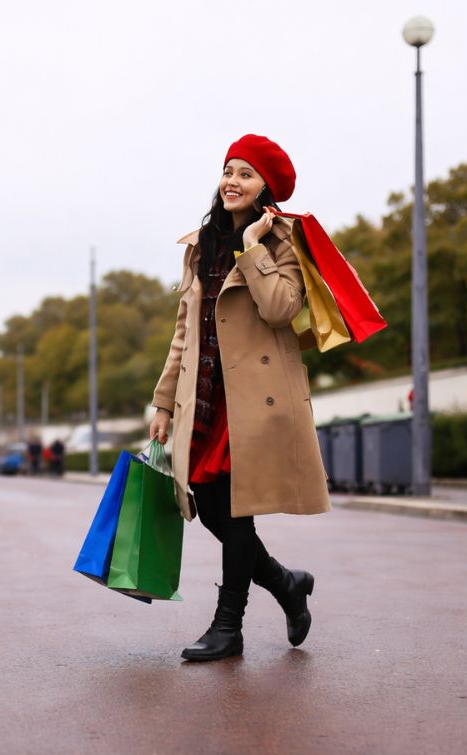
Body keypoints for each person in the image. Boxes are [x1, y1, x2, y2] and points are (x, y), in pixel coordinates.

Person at [148, 134, 330, 662]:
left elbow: (280, 309)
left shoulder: (281, 242)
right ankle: (285, 584)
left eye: (246, 173)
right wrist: (163, 403)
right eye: (228, 169)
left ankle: (228, 628)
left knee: (234, 511)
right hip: (203, 395)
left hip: (254, 398)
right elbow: (184, 332)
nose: (232, 181)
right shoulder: (199, 246)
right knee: (209, 509)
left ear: (265, 188)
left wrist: (252, 247)